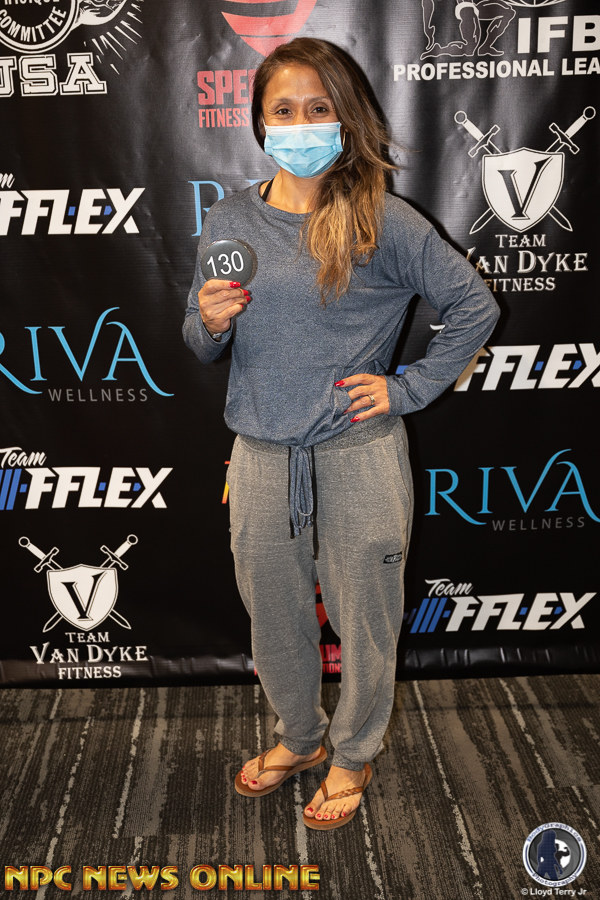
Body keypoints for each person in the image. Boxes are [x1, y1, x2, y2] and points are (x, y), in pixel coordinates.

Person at [183, 37, 499, 831]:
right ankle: (300, 738)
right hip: (262, 456)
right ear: (260, 121)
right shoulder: (231, 216)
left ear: (346, 117)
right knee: (274, 615)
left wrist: (407, 388)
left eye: (318, 108)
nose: (301, 125)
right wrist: (209, 322)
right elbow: (202, 338)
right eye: (284, 110)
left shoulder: (381, 220)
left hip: (359, 454)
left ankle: (353, 754)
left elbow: (475, 306)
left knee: (365, 618)